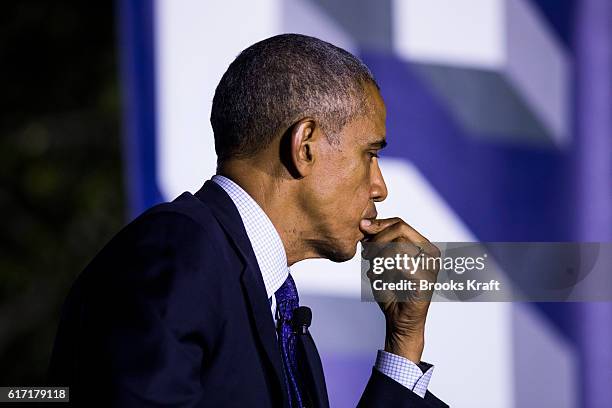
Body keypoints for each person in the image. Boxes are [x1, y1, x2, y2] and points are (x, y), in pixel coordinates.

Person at [49, 33, 448, 407]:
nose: (379, 187)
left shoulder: (281, 317)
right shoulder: (174, 255)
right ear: (304, 145)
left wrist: (404, 344)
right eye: (370, 154)